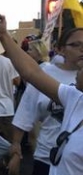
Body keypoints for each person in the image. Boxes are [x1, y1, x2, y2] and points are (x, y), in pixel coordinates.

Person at [0, 15, 83, 175]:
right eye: (76, 45)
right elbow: (31, 72)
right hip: (45, 161)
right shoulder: (74, 97)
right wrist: (4, 36)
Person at [7, 30, 80, 175]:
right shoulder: (53, 80)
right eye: (76, 45)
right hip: (47, 157)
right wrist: (16, 147)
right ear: (60, 49)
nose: (82, 49)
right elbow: (26, 109)